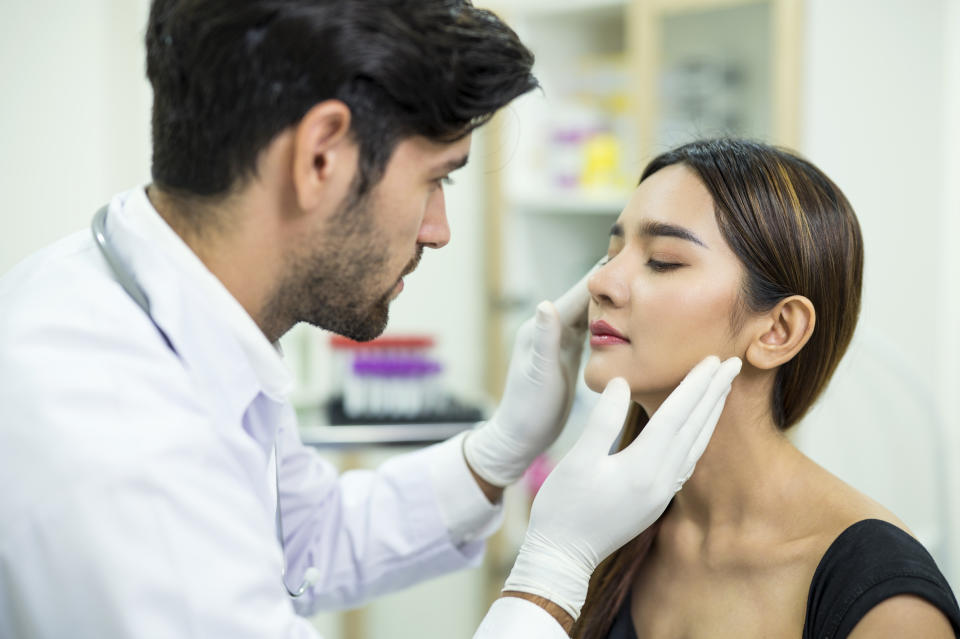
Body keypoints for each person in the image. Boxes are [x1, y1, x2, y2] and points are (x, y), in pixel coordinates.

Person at [0, 2, 741, 637]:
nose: (439, 229)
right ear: (322, 156)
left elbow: (306, 538)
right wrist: (556, 565)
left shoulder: (168, 312)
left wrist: (497, 454)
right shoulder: (120, 449)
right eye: (435, 178)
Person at [571, 138, 960, 639]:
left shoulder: (884, 598)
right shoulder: (607, 539)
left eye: (662, 260)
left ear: (779, 330)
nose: (601, 282)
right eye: (611, 252)